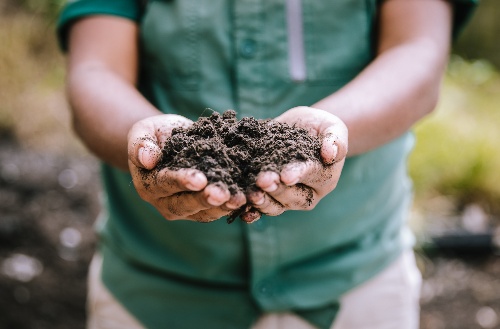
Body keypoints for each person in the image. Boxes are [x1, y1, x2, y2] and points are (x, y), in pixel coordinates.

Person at [57, 0, 477, 328]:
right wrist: (145, 140)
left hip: (354, 283)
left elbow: (418, 49)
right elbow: (96, 67)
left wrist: (329, 133)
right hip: (155, 296)